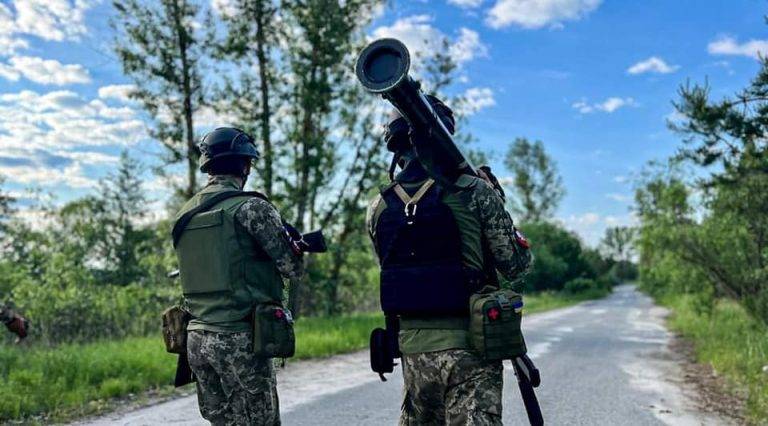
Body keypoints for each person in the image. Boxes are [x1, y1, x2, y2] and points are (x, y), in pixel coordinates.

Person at [366, 97, 533, 425]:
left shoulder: (378, 207)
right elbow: (515, 265)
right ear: (443, 138)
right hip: (470, 348)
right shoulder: (473, 191)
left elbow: (392, 269)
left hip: (414, 350)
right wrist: (498, 203)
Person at [173, 127, 304, 425]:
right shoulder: (252, 207)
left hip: (196, 339)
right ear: (245, 165)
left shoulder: (184, 214)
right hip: (239, 337)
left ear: (208, 165)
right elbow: (291, 268)